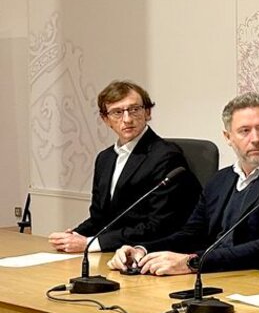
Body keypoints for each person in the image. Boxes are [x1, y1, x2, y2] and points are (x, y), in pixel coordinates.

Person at [108, 92, 259, 277]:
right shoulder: (221, 180)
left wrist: (192, 263)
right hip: (221, 279)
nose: (256, 138)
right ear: (228, 137)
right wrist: (142, 250)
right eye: (245, 131)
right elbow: (191, 233)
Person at [49, 81, 199, 254]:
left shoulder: (166, 156)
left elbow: (160, 224)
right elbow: (100, 218)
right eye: (117, 113)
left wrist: (91, 243)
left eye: (134, 109)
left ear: (147, 112)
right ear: (106, 120)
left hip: (153, 252)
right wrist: (74, 235)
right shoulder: (104, 159)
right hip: (115, 250)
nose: (127, 119)